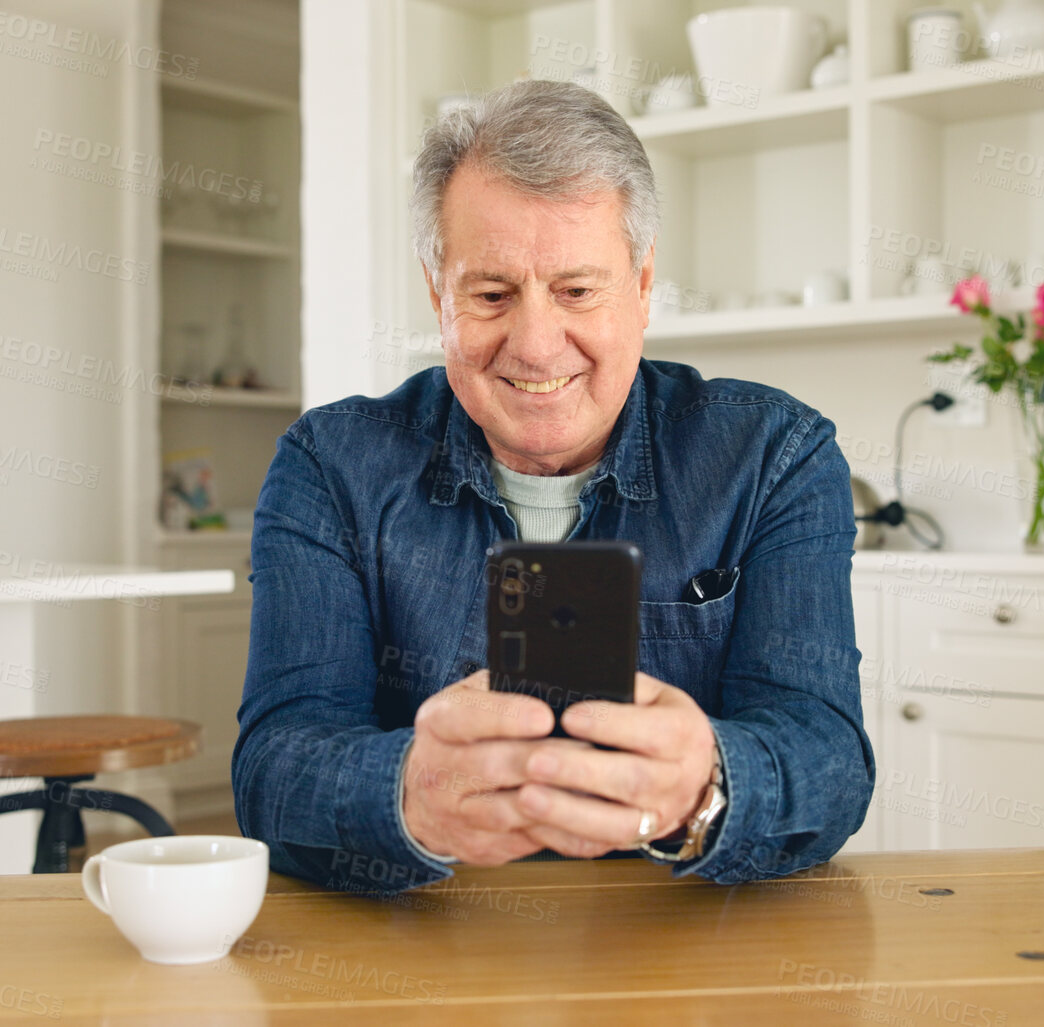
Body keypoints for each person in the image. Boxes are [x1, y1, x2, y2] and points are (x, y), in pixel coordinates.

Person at [233, 79, 871, 893]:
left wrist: (707, 785)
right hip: (423, 944)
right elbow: (273, 766)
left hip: (685, 945)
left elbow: (828, 754)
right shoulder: (330, 463)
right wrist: (404, 795)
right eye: (491, 294)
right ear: (439, 297)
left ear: (641, 288)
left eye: (576, 290)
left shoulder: (774, 454)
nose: (535, 345)